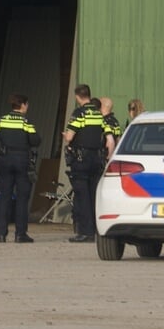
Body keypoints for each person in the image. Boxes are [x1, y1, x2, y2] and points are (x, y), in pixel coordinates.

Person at [62, 85, 111, 242]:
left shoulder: (79, 114)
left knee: (82, 196)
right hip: (96, 160)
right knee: (93, 195)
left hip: (81, 160)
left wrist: (66, 136)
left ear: (77, 97)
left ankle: (85, 232)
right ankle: (97, 230)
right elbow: (109, 139)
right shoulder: (99, 114)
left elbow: (69, 137)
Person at [0, 93, 37, 243]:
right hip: (22, 161)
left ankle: (1, 234)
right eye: (27, 105)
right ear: (22, 105)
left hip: (5, 160)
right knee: (22, 199)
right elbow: (36, 140)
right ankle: (20, 234)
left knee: (5, 197)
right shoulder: (26, 122)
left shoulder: (2, 120)